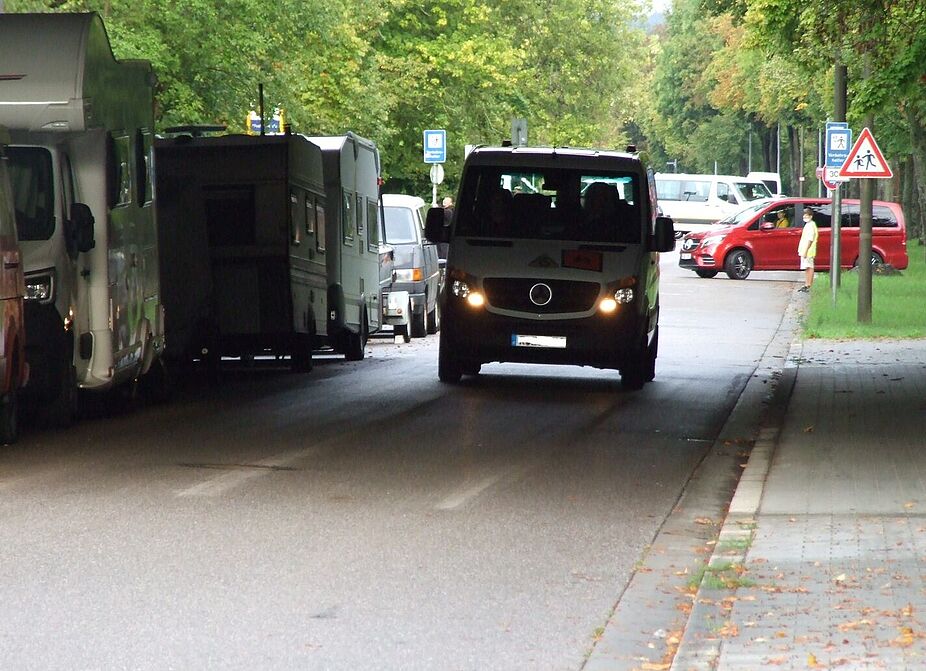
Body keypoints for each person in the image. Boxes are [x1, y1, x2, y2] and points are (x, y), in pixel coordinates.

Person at [797, 210, 818, 292]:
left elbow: (810, 239)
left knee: (809, 267)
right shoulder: (809, 225)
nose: (804, 217)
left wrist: (805, 251)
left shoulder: (810, 226)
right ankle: (807, 284)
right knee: (807, 267)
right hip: (806, 250)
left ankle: (808, 285)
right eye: (804, 215)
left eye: (806, 215)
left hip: (809, 251)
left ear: (811, 216)